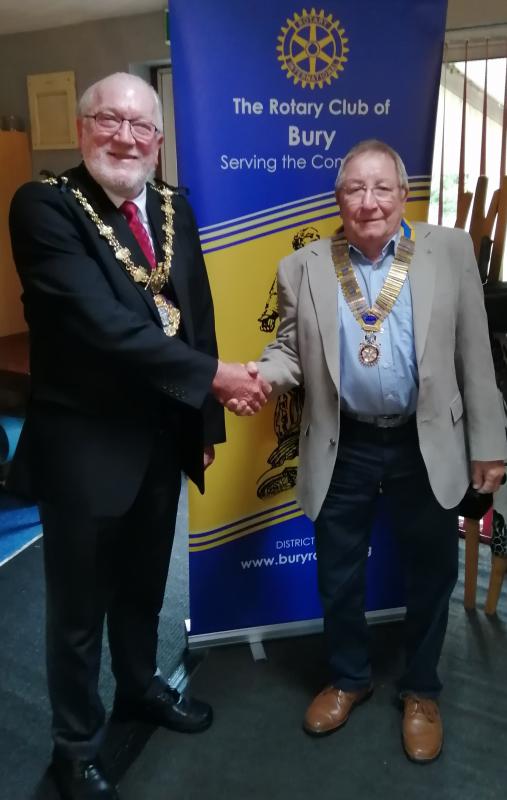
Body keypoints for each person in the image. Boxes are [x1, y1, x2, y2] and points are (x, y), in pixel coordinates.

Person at [8, 72, 269, 800]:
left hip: (162, 436)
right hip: (86, 446)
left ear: (158, 138)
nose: (125, 136)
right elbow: (102, 326)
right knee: (76, 612)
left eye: (141, 126)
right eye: (109, 120)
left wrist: (203, 419)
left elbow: (197, 307)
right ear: (83, 126)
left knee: (142, 591)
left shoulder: (170, 204)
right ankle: (76, 744)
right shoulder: (44, 207)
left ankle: (138, 689)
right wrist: (216, 378)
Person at [231, 139, 506, 762]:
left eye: (382, 188)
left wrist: (489, 443)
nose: (370, 201)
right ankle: (349, 677)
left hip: (425, 440)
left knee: (432, 572)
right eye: (355, 189)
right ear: (338, 199)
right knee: (338, 573)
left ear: (402, 193)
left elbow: (476, 355)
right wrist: (257, 377)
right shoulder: (301, 266)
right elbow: (289, 352)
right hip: (344, 442)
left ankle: (422, 689)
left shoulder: (449, 251)